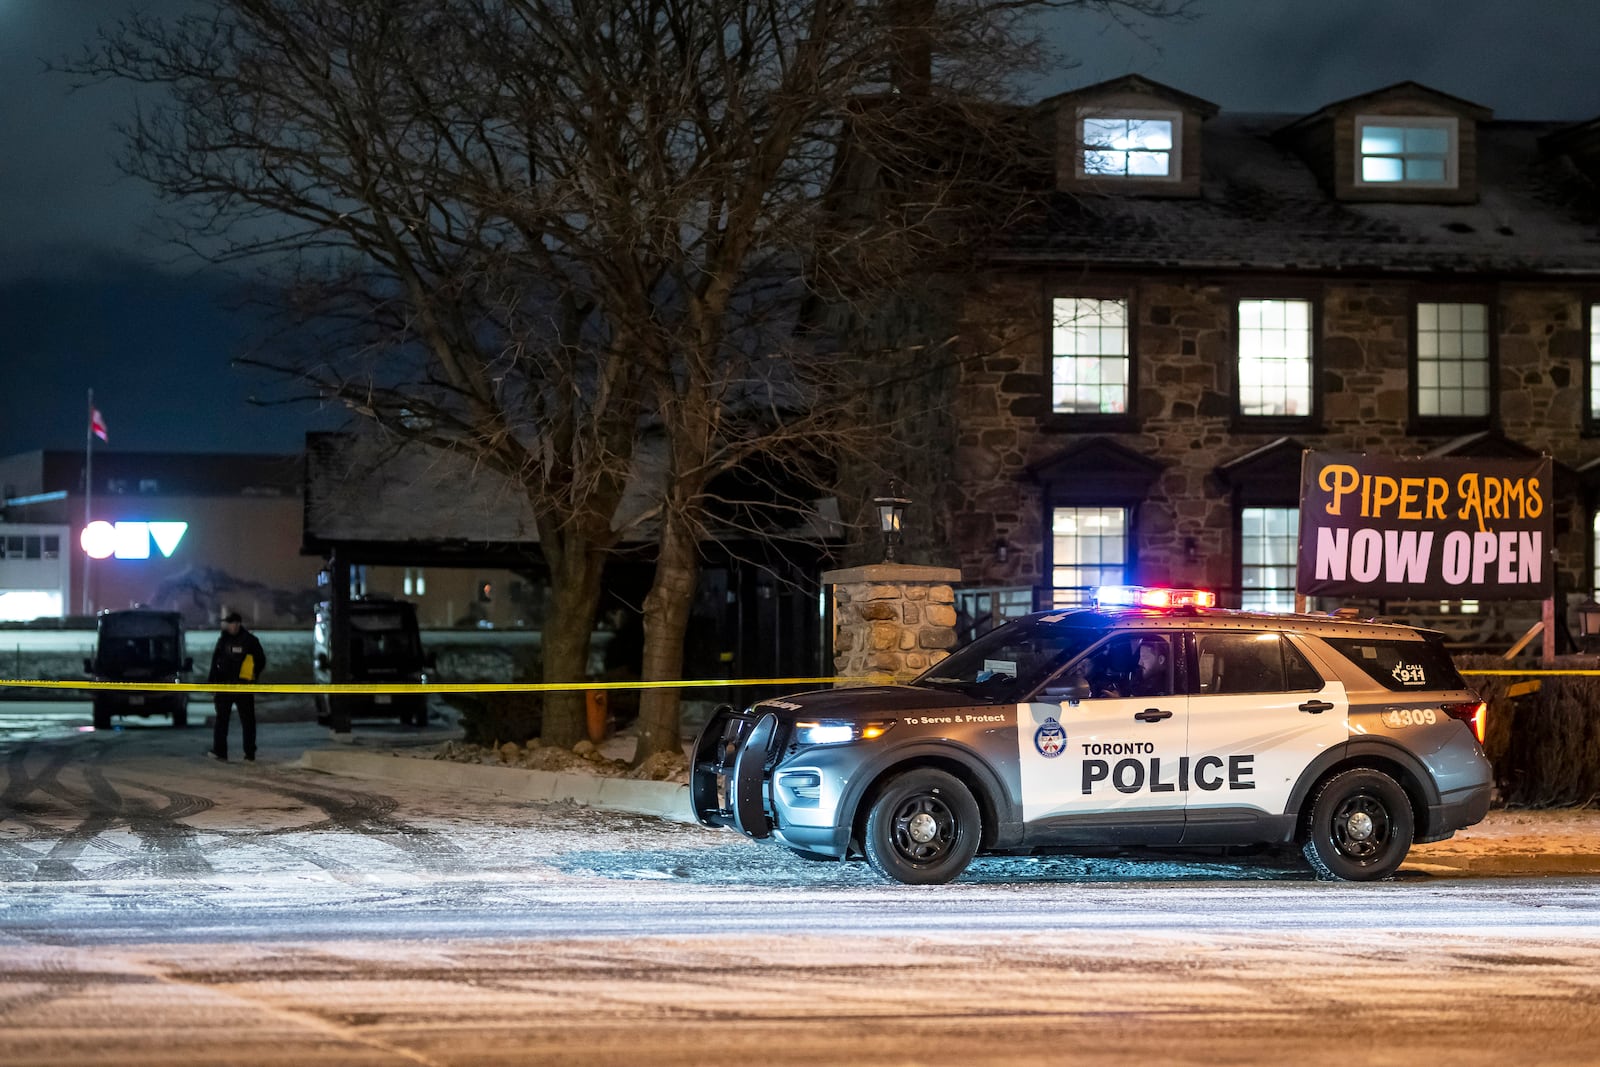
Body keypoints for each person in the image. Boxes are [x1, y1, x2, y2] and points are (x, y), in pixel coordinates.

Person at [207, 611, 266, 762]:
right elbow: (215, 662)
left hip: (243, 687)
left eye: (232, 623)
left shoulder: (250, 641)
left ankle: (249, 753)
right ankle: (220, 752)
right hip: (224, 686)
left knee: (247, 721)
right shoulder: (223, 640)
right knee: (222, 720)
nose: (229, 626)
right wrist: (212, 682)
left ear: (238, 624)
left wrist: (252, 677)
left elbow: (260, 661)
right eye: (228, 623)